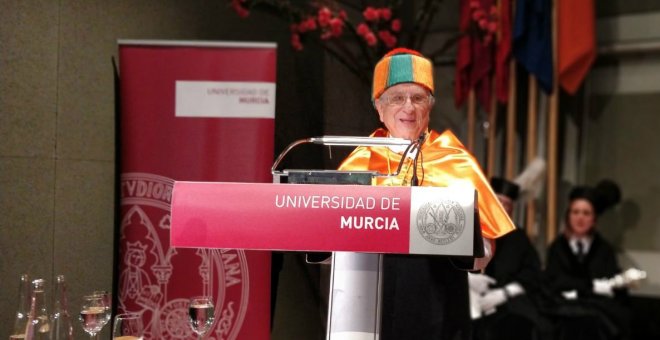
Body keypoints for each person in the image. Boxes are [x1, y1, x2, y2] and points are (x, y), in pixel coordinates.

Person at [338, 48, 515, 340]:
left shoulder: (454, 160)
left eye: (418, 98)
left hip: (439, 300)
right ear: (379, 108)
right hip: (368, 299)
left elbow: (484, 250)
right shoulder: (359, 162)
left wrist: (463, 243)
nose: (408, 107)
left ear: (429, 107)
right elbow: (330, 240)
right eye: (397, 98)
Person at [544, 180, 632, 340]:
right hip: (561, 313)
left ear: (594, 219)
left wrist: (579, 289)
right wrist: (590, 286)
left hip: (596, 315)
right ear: (568, 216)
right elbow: (555, 282)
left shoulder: (605, 250)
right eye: (575, 212)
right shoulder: (557, 248)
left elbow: (611, 286)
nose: (580, 218)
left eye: (586, 213)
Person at [469, 177, 553, 340]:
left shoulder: (518, 238)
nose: (502, 208)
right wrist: (468, 279)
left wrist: (504, 293)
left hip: (504, 306)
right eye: (498, 201)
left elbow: (532, 273)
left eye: (507, 204)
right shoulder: (467, 227)